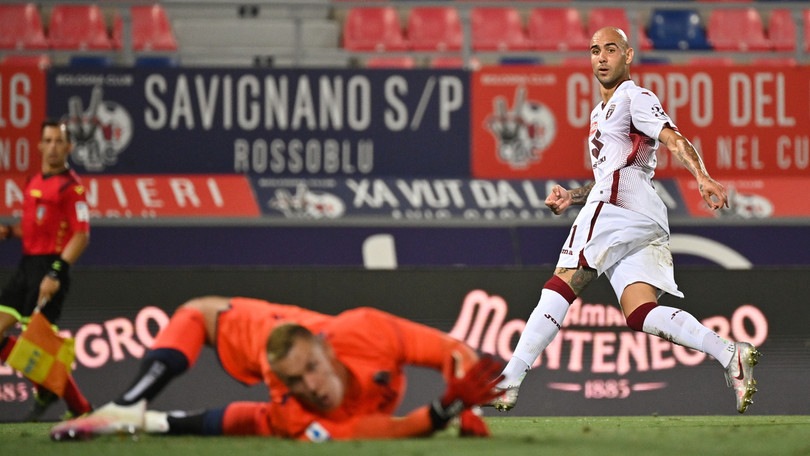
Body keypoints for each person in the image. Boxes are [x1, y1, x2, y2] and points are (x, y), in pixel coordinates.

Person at [488, 27, 761, 415]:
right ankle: (730, 353)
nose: (601, 57)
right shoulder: (599, 113)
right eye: (594, 50)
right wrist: (573, 196)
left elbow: (673, 139)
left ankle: (509, 380)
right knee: (640, 312)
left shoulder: (635, 97)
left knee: (564, 280)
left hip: (619, 208)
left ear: (628, 55)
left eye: (610, 49)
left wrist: (701, 175)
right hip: (639, 215)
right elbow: (611, 173)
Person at [51, 296, 503, 441]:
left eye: (312, 369)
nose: (312, 386)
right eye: (295, 381)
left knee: (262, 422)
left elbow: (453, 350)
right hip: (260, 343)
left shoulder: (366, 332)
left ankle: (137, 416)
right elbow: (376, 430)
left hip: (291, 328)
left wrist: (470, 409)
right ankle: (126, 405)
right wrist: (442, 412)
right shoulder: (295, 402)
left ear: (326, 351)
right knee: (194, 314)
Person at [0, 119, 92, 420]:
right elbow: (34, 227)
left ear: (69, 147)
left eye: (59, 141)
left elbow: (81, 235)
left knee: (39, 348)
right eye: (48, 141)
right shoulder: (33, 181)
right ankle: (46, 390)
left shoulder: (72, 187)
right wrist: (10, 232)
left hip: (50, 267)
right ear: (39, 145)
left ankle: (80, 408)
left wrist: (56, 273)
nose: (53, 147)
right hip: (26, 266)